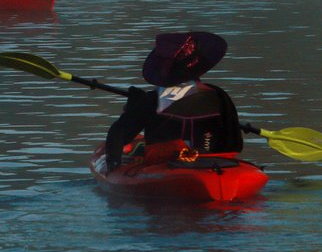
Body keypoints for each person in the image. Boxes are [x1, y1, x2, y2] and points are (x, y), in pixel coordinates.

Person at [104, 32, 245, 171]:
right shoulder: (219, 95)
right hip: (213, 161)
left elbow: (118, 133)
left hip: (164, 163)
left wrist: (113, 164)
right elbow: (234, 143)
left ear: (164, 70)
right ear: (198, 66)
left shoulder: (151, 99)